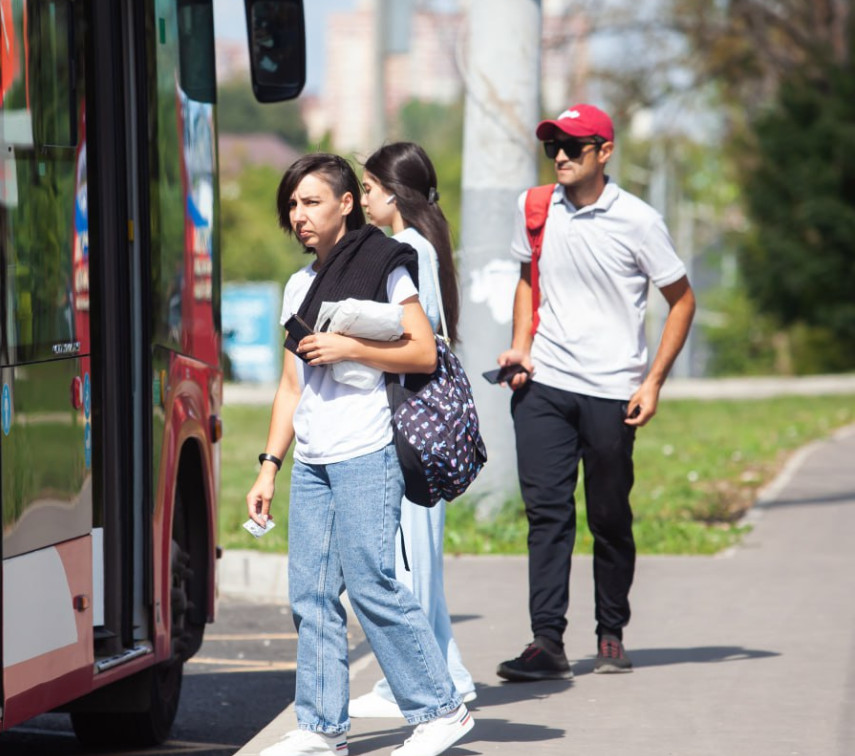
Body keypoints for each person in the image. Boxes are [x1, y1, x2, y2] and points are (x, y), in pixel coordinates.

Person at [248, 153, 473, 756]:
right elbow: (292, 385)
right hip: (315, 456)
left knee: (372, 584)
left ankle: (441, 709)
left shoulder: (385, 263)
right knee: (311, 595)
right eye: (292, 204)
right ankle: (322, 728)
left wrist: (350, 345)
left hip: (367, 448)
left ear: (347, 203)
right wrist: (269, 465)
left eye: (312, 201)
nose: (299, 215)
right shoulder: (299, 285)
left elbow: (424, 352)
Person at [494, 104, 696, 681]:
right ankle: (546, 642)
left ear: (604, 152)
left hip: (613, 391)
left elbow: (681, 299)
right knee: (547, 513)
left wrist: (652, 382)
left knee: (608, 516)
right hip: (546, 384)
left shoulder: (638, 220)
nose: (560, 154)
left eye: (573, 145)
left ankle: (610, 631)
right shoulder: (534, 208)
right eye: (552, 144)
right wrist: (520, 346)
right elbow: (528, 278)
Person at [346, 142, 476, 720]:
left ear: (393, 194)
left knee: (408, 563)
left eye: (368, 188)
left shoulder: (407, 248)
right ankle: (449, 675)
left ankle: (413, 685)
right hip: (417, 416)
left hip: (410, 418)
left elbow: (411, 338)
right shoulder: (422, 244)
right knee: (414, 555)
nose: (363, 198)